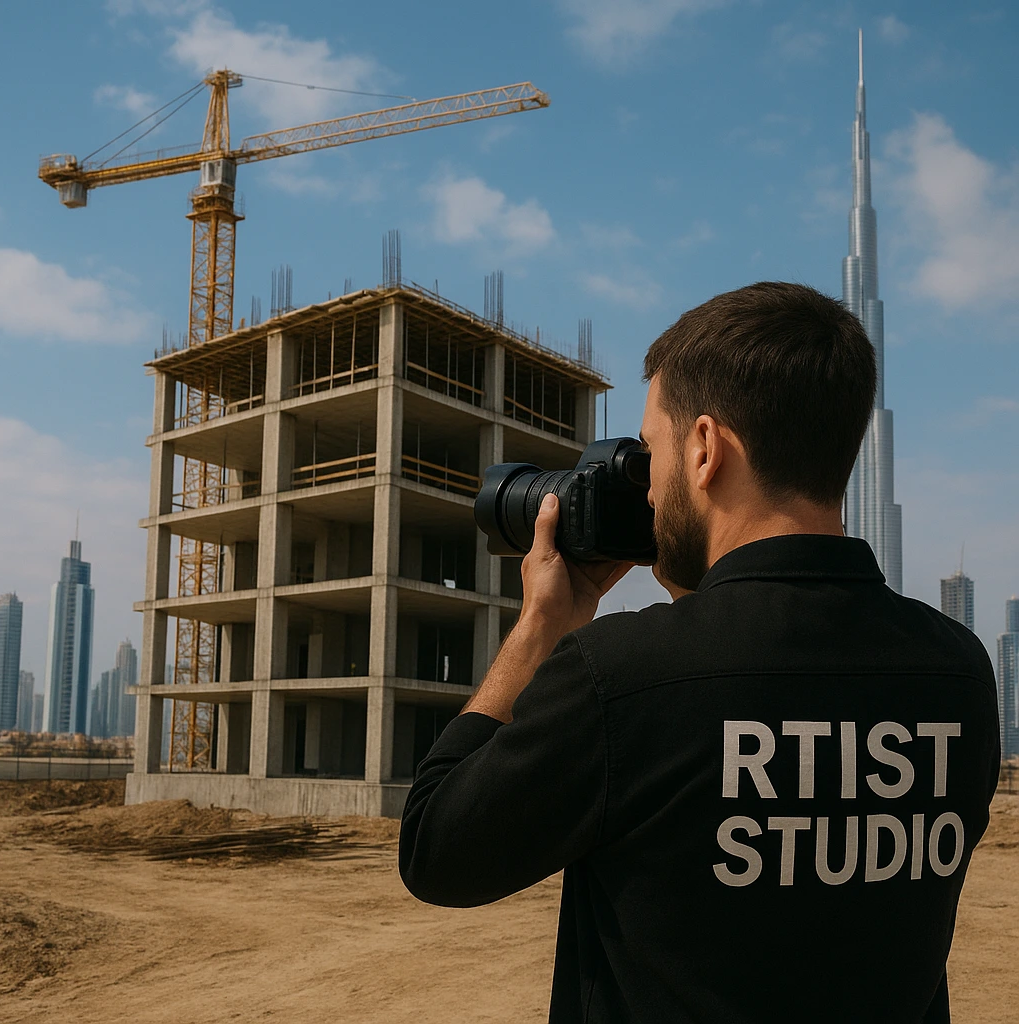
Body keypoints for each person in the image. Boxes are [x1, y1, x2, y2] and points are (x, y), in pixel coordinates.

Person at [398, 281, 1000, 1023]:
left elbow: (436, 850)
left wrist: (543, 626)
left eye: (650, 451)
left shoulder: (620, 677)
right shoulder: (961, 673)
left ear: (706, 448)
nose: (646, 488)